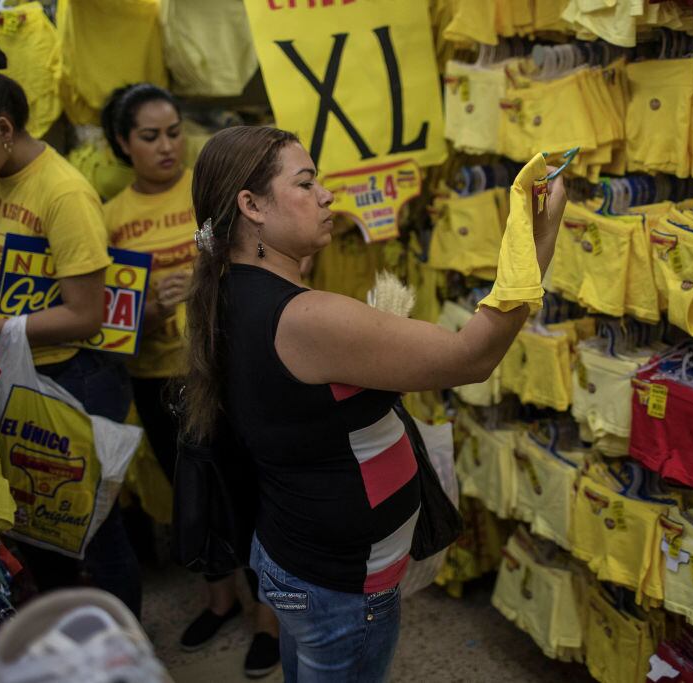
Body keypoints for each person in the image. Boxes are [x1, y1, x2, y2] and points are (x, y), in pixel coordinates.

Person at [181, 125, 566, 681]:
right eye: (306, 182)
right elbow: (471, 357)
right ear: (252, 206)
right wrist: (536, 234)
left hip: (298, 557)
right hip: (337, 584)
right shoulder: (307, 318)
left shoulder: (231, 290)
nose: (326, 195)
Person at [0, 44, 142, 616]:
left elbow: (84, 314)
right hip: (17, 376)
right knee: (36, 523)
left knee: (90, 526)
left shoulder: (65, 194)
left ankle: (127, 655)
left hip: (77, 377)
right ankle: (66, 642)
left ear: (1, 129)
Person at [99, 83, 281, 675]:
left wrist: (205, 275)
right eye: (150, 136)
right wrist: (149, 307)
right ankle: (220, 598)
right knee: (194, 494)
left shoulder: (210, 189)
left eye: (174, 131)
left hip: (227, 364)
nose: (167, 146)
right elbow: (110, 319)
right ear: (124, 144)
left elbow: (259, 258)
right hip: (158, 376)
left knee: (252, 487)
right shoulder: (111, 217)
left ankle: (269, 616)